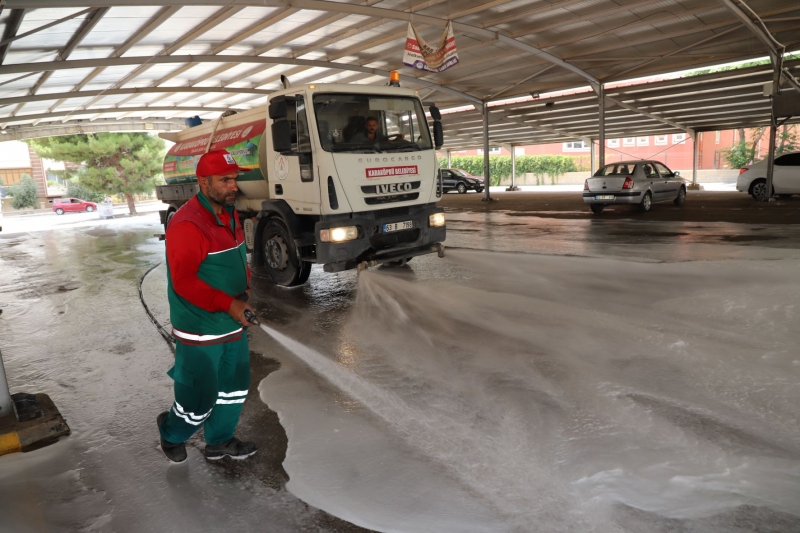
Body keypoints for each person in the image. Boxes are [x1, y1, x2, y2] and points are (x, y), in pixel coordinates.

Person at [157, 148, 258, 464]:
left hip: (232, 323)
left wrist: (244, 288)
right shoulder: (188, 224)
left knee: (233, 391)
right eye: (224, 180)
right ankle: (171, 433)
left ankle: (219, 442)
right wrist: (228, 304)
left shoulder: (228, 213)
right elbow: (184, 281)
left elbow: (237, 259)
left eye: (235, 179)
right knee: (198, 401)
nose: (233, 186)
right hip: (201, 330)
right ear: (203, 182)